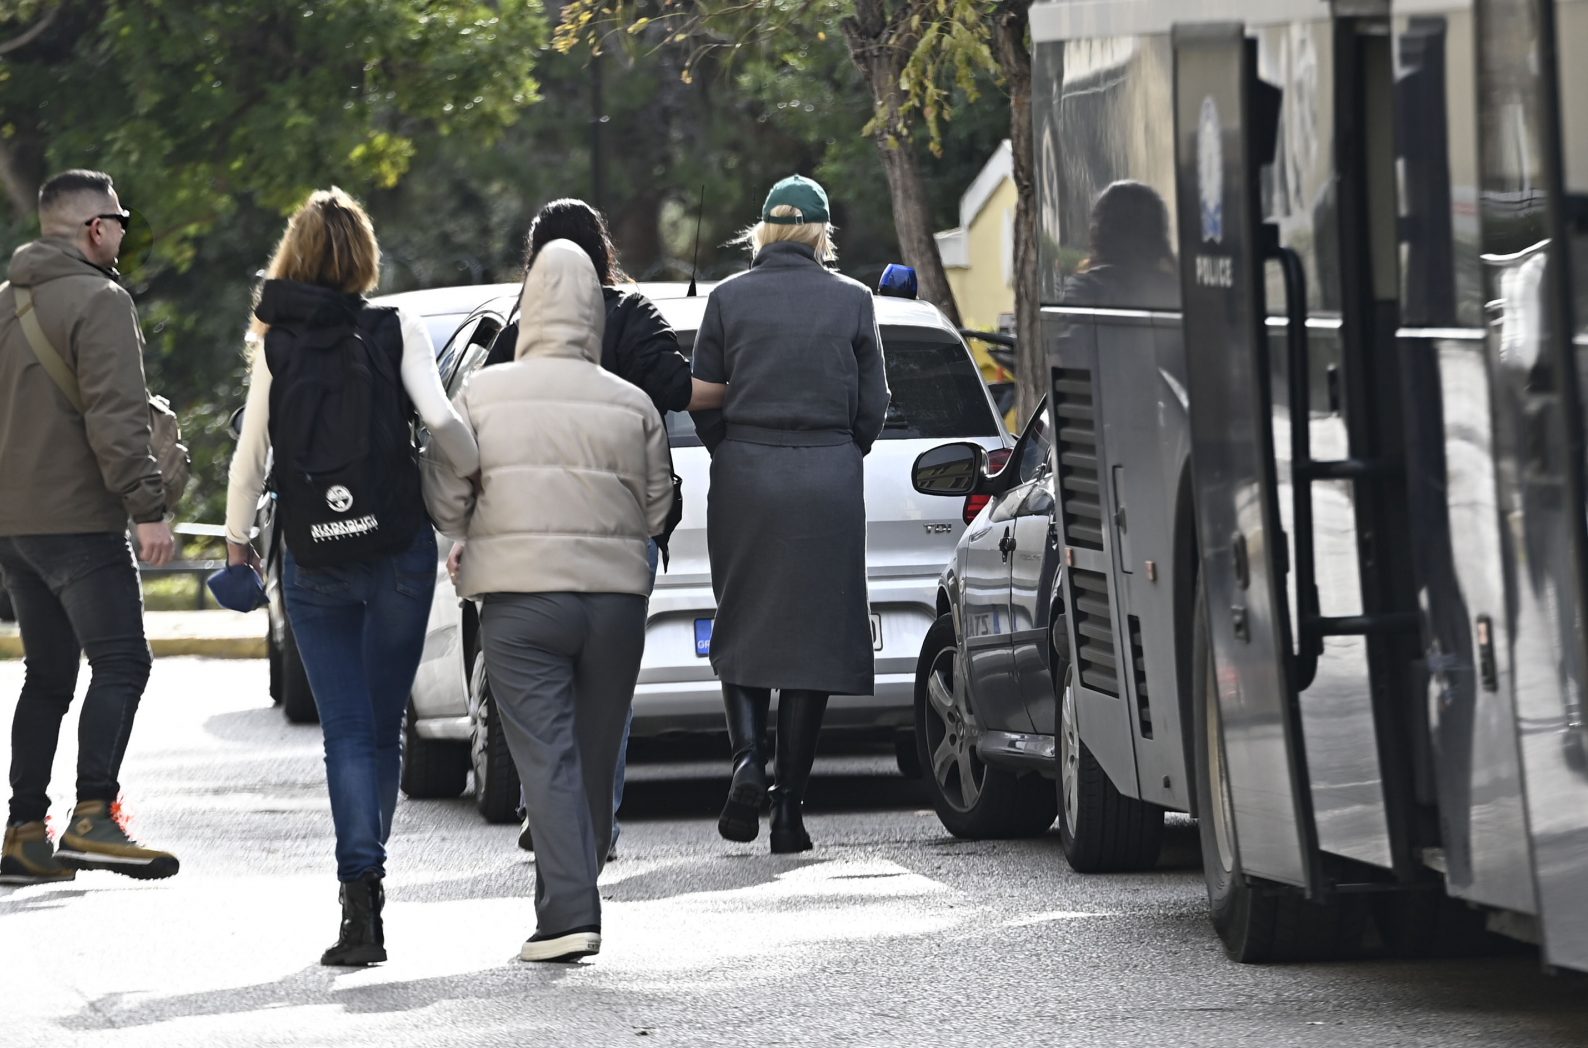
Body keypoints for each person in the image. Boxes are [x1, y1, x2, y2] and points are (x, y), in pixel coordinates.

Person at [222, 188, 478, 966]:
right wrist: (468, 478)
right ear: (364, 256)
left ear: (294, 255)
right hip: (396, 550)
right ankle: (371, 872)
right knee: (385, 720)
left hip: (314, 561)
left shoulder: (275, 342)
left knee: (346, 734)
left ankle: (357, 896)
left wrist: (238, 544)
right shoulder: (396, 326)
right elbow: (440, 424)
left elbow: (249, 458)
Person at [428, 240, 677, 963]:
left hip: (518, 603)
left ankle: (568, 910)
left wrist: (463, 525)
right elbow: (658, 508)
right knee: (597, 752)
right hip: (615, 603)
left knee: (546, 754)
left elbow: (448, 493)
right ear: (595, 311)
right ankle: (579, 869)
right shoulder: (631, 402)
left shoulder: (479, 395)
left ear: (529, 304)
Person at [474, 198, 715, 859]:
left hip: (533, 528)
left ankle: (546, 809)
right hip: (619, 529)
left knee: (539, 688)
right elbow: (674, 387)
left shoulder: (522, 328)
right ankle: (596, 827)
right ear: (602, 251)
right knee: (605, 695)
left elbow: (481, 420)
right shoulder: (633, 315)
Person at [690, 175, 890, 854]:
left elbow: (705, 399)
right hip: (828, 477)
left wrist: (739, 450)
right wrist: (835, 450)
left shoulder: (725, 299)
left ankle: (748, 760)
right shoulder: (854, 301)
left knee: (744, 619)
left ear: (765, 231)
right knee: (812, 641)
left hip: (746, 474)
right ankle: (789, 814)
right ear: (820, 233)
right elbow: (874, 405)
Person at [0, 169, 179, 885]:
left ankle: (22, 834)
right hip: (80, 520)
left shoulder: (5, 303)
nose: (124, 233)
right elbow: (115, 415)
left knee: (46, 676)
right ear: (93, 228)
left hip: (15, 529)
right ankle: (93, 817)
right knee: (123, 662)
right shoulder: (101, 301)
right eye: (120, 220)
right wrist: (148, 507)